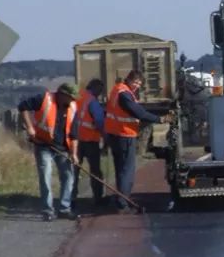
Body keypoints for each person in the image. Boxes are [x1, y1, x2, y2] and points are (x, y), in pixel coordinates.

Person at [104, 70, 169, 214]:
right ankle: (122, 203)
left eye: (140, 84)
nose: (138, 86)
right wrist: (160, 119)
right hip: (124, 135)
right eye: (136, 83)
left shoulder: (117, 89)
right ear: (129, 80)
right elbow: (138, 112)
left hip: (114, 134)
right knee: (127, 170)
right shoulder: (124, 94)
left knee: (121, 169)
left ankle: (121, 199)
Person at [18, 83, 80, 221]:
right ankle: (48, 211)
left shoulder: (74, 107)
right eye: (71, 97)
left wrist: (74, 153)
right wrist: (29, 127)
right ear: (63, 94)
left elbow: (74, 134)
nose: (73, 100)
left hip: (63, 148)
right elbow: (22, 106)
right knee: (45, 176)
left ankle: (64, 208)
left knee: (68, 177)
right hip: (43, 145)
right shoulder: (44, 99)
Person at [72, 78, 106, 209]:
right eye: (100, 91)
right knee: (95, 171)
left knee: (74, 170)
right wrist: (106, 138)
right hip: (90, 141)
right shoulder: (92, 101)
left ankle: (71, 198)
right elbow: (99, 121)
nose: (100, 93)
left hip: (75, 140)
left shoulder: (77, 97)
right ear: (96, 88)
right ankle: (98, 198)